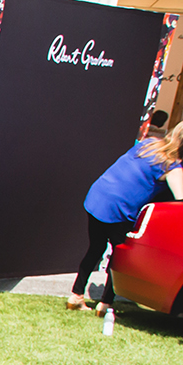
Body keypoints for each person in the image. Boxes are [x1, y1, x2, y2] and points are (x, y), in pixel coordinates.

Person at [69, 123, 183, 314]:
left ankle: (76, 295)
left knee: (95, 248)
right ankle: (105, 304)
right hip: (119, 209)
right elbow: (180, 200)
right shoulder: (173, 167)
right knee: (120, 255)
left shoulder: (148, 144)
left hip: (98, 197)